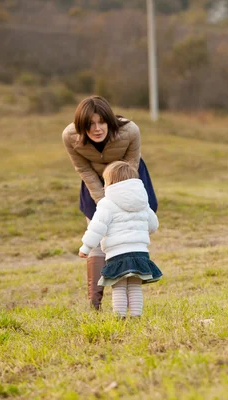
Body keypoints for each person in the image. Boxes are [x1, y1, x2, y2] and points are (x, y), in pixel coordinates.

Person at [63, 95, 157, 310]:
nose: (97, 129)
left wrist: (121, 198)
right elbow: (84, 169)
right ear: (81, 127)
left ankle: (131, 280)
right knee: (97, 236)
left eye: (101, 122)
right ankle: (94, 303)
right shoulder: (69, 137)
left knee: (127, 231)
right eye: (90, 124)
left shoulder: (130, 131)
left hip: (129, 181)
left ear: (109, 120)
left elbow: (131, 165)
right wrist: (104, 202)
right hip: (94, 184)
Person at [79, 161, 162, 318]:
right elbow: (153, 225)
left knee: (119, 287)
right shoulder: (143, 202)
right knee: (134, 287)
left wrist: (86, 247)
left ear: (109, 182)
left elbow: (96, 228)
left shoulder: (107, 203)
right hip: (140, 253)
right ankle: (136, 317)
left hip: (117, 254)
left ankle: (120, 318)